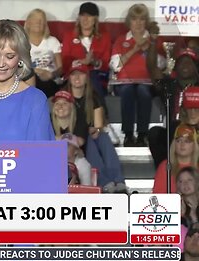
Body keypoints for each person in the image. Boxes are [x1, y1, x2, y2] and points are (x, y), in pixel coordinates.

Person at [110, 4, 165, 147]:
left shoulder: (153, 39)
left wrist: (149, 50)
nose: (138, 23)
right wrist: (135, 49)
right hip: (123, 83)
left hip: (146, 83)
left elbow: (163, 64)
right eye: (135, 19)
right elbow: (115, 65)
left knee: (143, 91)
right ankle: (128, 135)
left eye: (142, 19)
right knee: (128, 90)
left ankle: (142, 135)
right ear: (129, 21)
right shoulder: (121, 39)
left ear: (146, 21)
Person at [148, 45, 199, 167]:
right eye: (181, 62)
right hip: (172, 134)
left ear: (196, 67)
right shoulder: (169, 86)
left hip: (196, 131)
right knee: (155, 133)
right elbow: (152, 68)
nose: (185, 66)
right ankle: (164, 170)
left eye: (189, 62)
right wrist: (154, 42)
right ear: (176, 67)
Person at [62, 2, 111, 98]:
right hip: (74, 74)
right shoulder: (69, 36)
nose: (85, 19)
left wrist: (94, 62)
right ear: (79, 18)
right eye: (83, 16)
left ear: (95, 19)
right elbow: (65, 63)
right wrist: (81, 62)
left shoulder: (105, 37)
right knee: (80, 77)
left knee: (91, 76)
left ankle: (100, 111)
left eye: (89, 16)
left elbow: (106, 64)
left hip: (96, 76)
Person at [24, 8, 62, 98]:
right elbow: (18, 65)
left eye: (41, 20)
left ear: (45, 24)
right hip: (30, 79)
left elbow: (61, 68)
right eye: (35, 19)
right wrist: (36, 71)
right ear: (28, 22)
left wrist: (51, 75)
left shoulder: (52, 41)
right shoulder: (22, 42)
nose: (38, 22)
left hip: (51, 80)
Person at [153, 124, 199, 193]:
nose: (182, 144)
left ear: (194, 145)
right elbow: (158, 196)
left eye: (186, 141)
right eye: (178, 141)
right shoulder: (165, 166)